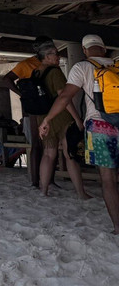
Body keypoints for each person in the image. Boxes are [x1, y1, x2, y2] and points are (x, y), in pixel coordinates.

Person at [40, 35, 119, 233]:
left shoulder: (83, 67)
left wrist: (47, 119)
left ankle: (118, 227)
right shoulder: (116, 65)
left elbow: (65, 96)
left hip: (100, 127)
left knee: (108, 178)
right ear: (104, 48)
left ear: (84, 50)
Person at [35, 44, 89, 199]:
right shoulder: (55, 72)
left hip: (43, 117)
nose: (58, 57)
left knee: (48, 154)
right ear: (46, 57)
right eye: (54, 54)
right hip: (61, 117)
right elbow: (64, 98)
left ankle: (43, 190)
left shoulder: (36, 72)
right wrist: (77, 119)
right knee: (69, 154)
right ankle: (81, 193)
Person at [4, 35, 53, 187]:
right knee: (36, 144)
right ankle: (35, 180)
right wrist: (22, 94)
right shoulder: (26, 64)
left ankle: (48, 179)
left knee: (50, 144)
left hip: (49, 106)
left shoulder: (51, 62)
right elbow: (7, 79)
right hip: (34, 108)